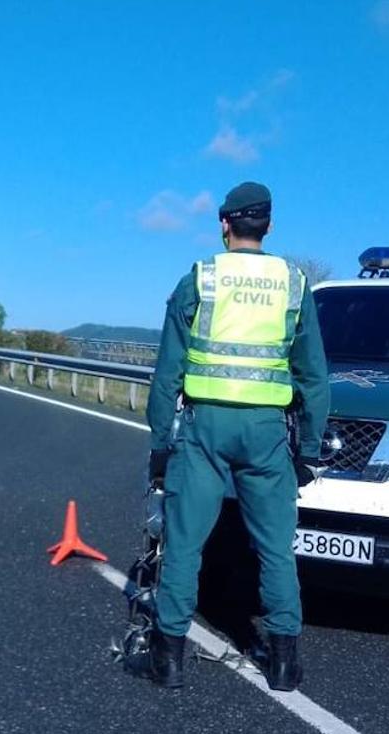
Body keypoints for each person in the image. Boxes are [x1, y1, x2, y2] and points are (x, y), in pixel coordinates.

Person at [127, 182, 330, 691]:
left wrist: (159, 445)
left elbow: (167, 371)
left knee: (184, 543)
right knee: (276, 548)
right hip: (266, 432)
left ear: (224, 224)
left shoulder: (202, 278)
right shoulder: (293, 283)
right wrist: (307, 449)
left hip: (204, 427)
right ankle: (283, 663)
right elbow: (314, 378)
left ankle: (168, 660)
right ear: (269, 226)